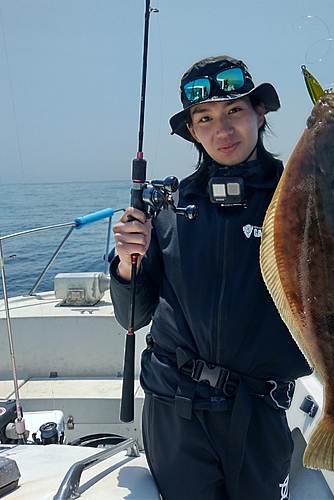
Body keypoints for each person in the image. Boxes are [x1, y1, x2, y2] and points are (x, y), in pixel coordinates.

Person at [110, 55, 312, 500]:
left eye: (234, 111)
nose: (221, 130)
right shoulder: (166, 206)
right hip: (174, 411)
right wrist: (127, 261)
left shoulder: (300, 196)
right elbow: (132, 314)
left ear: (260, 114)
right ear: (192, 131)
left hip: (258, 412)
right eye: (205, 118)